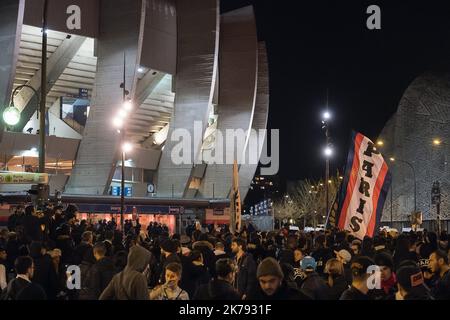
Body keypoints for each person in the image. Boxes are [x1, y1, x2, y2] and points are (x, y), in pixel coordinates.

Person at [246, 257, 311, 300]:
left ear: (280, 279)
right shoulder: (252, 297)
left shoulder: (296, 297)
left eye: (272, 281)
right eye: (263, 281)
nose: (267, 286)